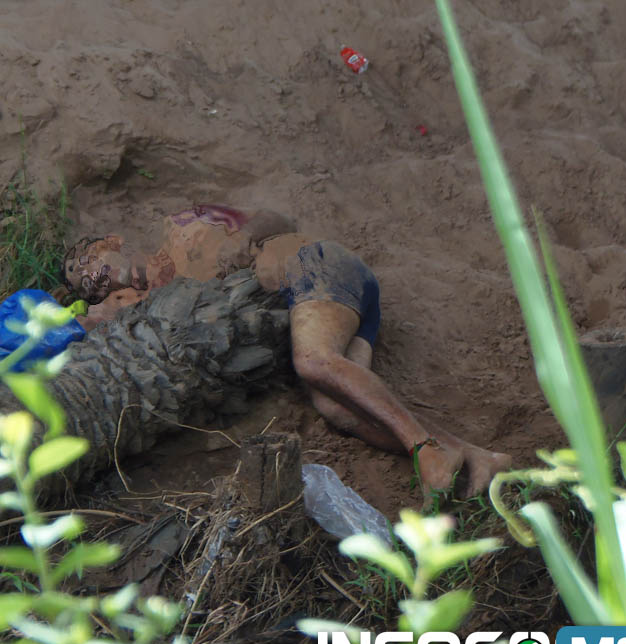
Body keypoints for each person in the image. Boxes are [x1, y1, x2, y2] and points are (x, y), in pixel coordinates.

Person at [61, 204, 511, 498]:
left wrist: (243, 238)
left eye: (92, 265)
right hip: (322, 307)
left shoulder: (183, 230)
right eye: (91, 286)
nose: (98, 281)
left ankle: (426, 450)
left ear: (113, 242)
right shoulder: (158, 308)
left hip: (313, 267)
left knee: (313, 361)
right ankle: (474, 456)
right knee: (337, 409)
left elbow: (276, 218)